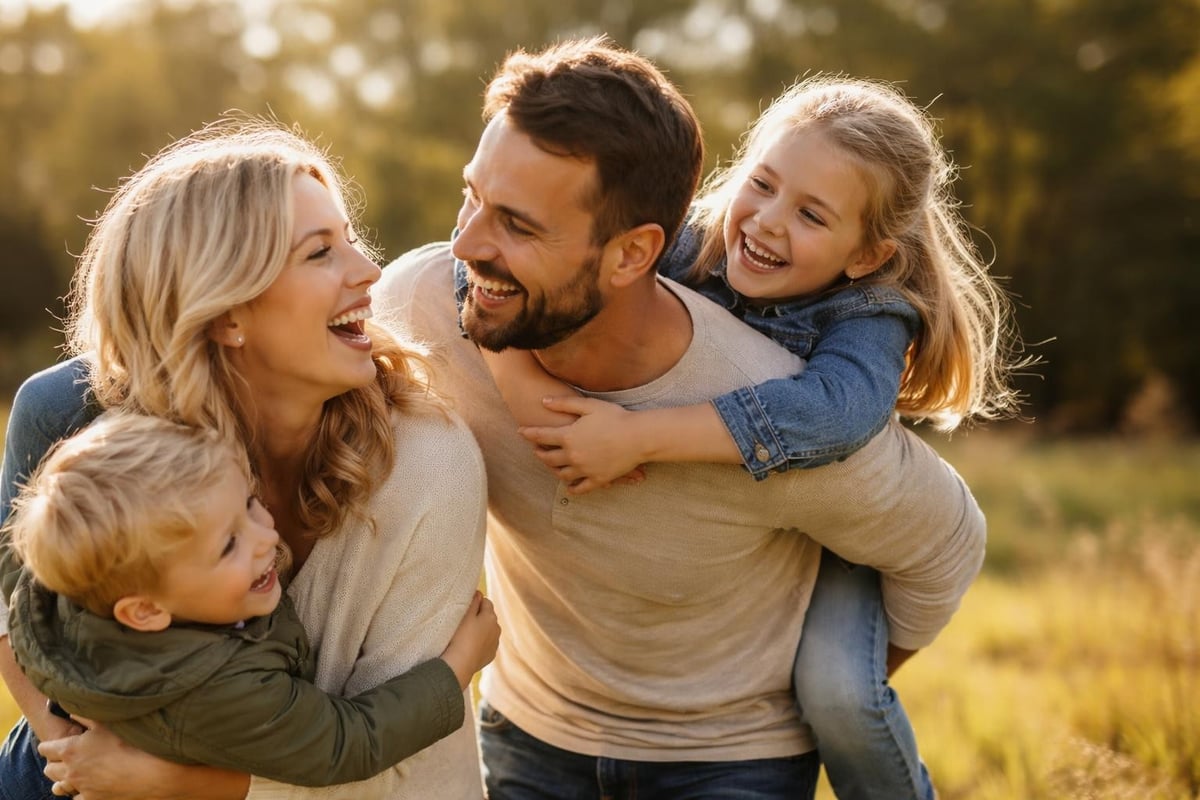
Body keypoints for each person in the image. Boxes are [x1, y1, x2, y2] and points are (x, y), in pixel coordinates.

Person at [376, 36, 985, 800]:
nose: (766, 223)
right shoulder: (675, 245)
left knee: (844, 694)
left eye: (811, 214)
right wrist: (515, 373)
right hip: (527, 731)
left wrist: (835, 687)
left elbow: (911, 505)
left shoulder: (823, 372)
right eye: (762, 184)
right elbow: (471, 267)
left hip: (727, 760)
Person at [0, 118, 489, 799]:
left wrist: (172, 783)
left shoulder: (429, 463)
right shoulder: (70, 416)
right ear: (227, 312)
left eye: (349, 239)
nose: (369, 271)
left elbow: (369, 751)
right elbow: (16, 615)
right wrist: (73, 758)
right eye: (320, 253)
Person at [3, 412, 499, 789]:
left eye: (249, 504)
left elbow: (16, 568)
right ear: (146, 611)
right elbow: (345, 742)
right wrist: (456, 667)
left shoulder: (76, 595)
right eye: (228, 545)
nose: (265, 537)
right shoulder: (218, 690)